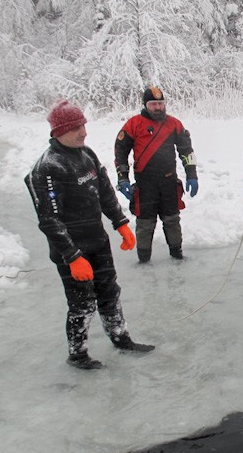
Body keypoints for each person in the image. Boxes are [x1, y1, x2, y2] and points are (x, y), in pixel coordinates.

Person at [25, 99, 154, 369]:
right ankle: (78, 354)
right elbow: (49, 220)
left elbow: (104, 191)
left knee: (110, 292)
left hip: (97, 240)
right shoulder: (47, 168)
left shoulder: (87, 155)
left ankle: (120, 338)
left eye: (83, 125)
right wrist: (72, 256)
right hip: (71, 249)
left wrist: (120, 223)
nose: (84, 132)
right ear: (58, 132)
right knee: (82, 304)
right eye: (76, 128)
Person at [114, 86, 199, 262]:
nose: (158, 107)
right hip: (145, 185)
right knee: (145, 224)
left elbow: (186, 151)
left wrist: (192, 174)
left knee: (172, 220)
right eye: (153, 104)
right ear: (145, 105)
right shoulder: (134, 124)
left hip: (169, 182)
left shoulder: (174, 124)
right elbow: (120, 152)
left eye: (161, 103)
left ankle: (177, 255)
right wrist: (122, 179)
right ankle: (143, 260)